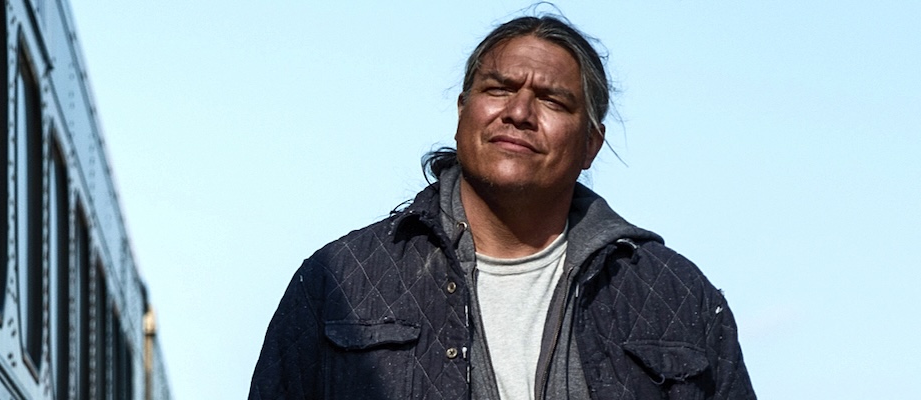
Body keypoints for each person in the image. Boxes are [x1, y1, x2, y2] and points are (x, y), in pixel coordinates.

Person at [248, 15, 754, 399]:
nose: (519, 112)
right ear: (462, 113)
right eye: (498, 89)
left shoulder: (675, 296)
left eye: (553, 100)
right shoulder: (339, 281)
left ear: (590, 145)